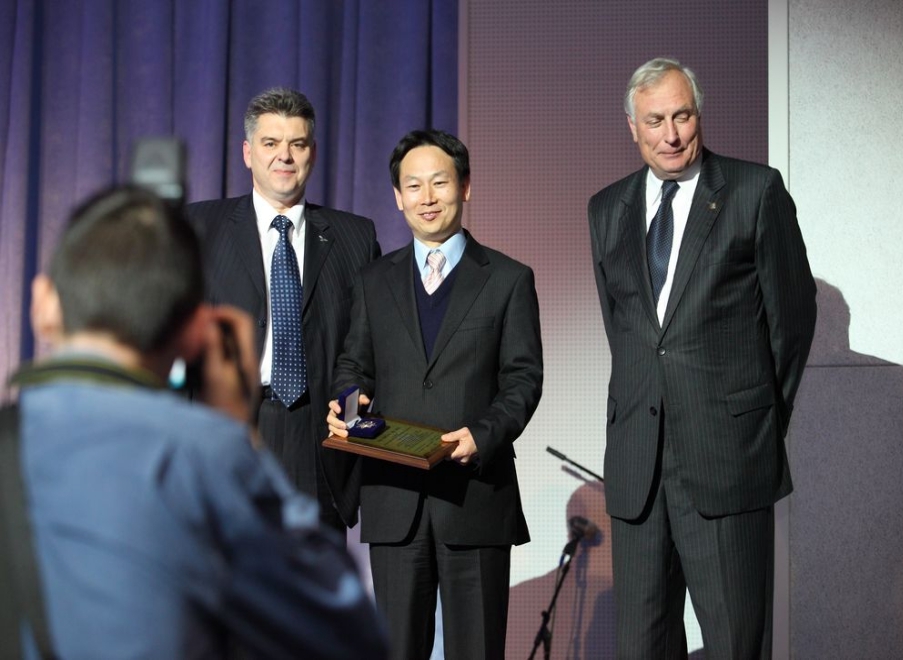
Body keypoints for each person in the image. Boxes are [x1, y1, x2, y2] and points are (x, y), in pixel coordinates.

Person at [6, 186, 387, 659]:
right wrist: (240, 435)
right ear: (195, 332)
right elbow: (347, 634)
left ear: (43, 304)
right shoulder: (208, 457)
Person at [587, 58, 816, 659]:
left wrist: (754, 422)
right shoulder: (605, 208)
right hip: (638, 466)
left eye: (682, 116)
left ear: (699, 115)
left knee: (736, 643)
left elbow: (791, 322)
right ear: (632, 127)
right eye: (655, 121)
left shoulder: (753, 191)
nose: (671, 135)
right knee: (641, 646)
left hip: (727, 460)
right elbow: (627, 333)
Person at [327, 129, 544, 660]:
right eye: (413, 186)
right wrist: (348, 410)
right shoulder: (372, 280)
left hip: (474, 497)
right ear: (397, 197)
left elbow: (523, 380)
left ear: (465, 187)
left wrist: (482, 436)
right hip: (393, 499)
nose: (427, 197)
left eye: (439, 183)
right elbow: (354, 366)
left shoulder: (508, 279)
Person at [187, 87, 381, 533]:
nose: (284, 156)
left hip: (319, 439)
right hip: (226, 434)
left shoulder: (355, 237)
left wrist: (351, 414)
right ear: (247, 152)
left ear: (312, 152)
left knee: (310, 575)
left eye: (297, 144)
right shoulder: (199, 226)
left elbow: (366, 346)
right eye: (271, 143)